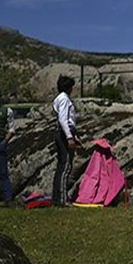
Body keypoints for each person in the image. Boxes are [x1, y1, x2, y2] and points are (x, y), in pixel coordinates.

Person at [51, 74, 84, 207]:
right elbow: (63, 119)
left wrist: (74, 136)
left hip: (65, 132)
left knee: (61, 166)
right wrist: (69, 137)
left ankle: (57, 198)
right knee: (65, 167)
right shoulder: (64, 99)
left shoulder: (59, 99)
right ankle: (62, 199)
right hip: (64, 133)